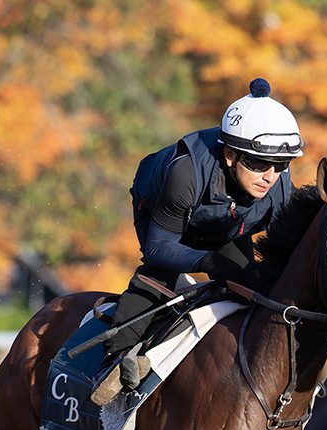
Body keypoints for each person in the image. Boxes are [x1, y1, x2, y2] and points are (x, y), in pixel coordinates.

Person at [91, 77, 304, 405]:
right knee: (160, 273)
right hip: (164, 213)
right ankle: (114, 362)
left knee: (251, 282)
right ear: (231, 155)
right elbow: (159, 248)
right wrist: (205, 261)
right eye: (259, 163)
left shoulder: (278, 185)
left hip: (225, 222)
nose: (270, 177)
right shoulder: (185, 173)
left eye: (281, 164)